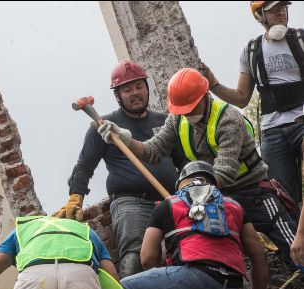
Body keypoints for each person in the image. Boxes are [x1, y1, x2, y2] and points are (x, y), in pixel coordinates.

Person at [97, 67, 299, 262]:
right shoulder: (178, 117)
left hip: (252, 192)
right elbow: (153, 151)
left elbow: (224, 172)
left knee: (292, 244)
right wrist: (126, 140)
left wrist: (189, 198)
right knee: (217, 251)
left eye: (191, 108)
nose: (187, 113)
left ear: (204, 96)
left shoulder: (227, 119)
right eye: (183, 110)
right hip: (216, 195)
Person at [116, 162, 269, 289]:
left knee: (125, 287)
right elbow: (258, 254)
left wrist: (167, 270)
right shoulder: (233, 205)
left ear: (181, 183)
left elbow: (147, 259)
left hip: (195, 280)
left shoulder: (168, 205)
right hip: (233, 287)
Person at [56, 60, 183, 277]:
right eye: (127, 89)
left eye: (139, 86)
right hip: (131, 201)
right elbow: (84, 166)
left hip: (170, 199)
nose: (135, 93)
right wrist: (75, 198)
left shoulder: (164, 122)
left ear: (147, 88)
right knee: (134, 256)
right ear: (117, 95)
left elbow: (183, 161)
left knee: (184, 247)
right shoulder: (104, 127)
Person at [203, 1, 303, 207]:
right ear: (260, 15)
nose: (281, 13)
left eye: (283, 7)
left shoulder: (301, 39)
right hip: (273, 132)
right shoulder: (251, 51)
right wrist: (213, 84)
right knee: (284, 198)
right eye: (274, 10)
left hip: (302, 122)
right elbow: (241, 98)